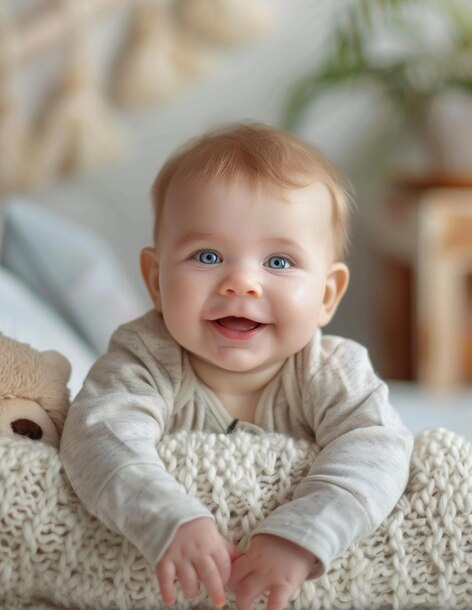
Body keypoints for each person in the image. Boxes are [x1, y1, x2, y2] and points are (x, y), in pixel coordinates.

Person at [60, 123, 413, 610]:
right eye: (208, 255)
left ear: (327, 295)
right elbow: (98, 434)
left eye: (280, 262)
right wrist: (169, 517)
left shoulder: (330, 369)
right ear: (156, 280)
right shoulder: (144, 356)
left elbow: (377, 448)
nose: (241, 282)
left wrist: (300, 535)